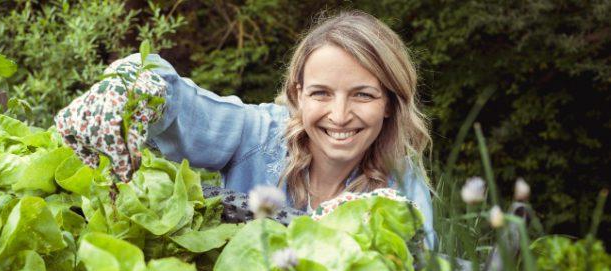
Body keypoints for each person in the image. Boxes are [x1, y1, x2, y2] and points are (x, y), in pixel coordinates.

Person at [55, 10, 436, 247]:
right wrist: (132, 86)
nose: (339, 114)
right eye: (321, 93)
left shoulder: (402, 187)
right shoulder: (261, 135)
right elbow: (187, 107)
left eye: (363, 95)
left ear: (389, 102)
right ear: (297, 95)